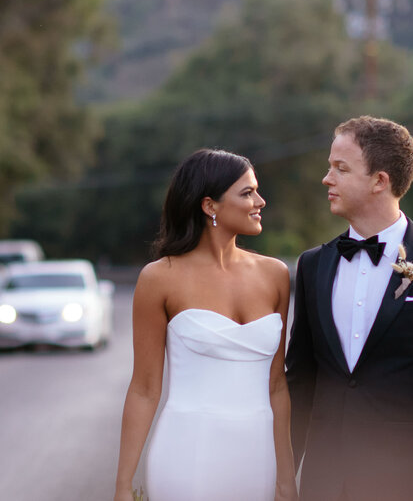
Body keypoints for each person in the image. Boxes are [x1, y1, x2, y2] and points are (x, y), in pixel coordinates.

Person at [285, 116, 413, 501]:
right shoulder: (312, 265)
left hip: (407, 482)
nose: (327, 179)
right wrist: (281, 471)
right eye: (330, 167)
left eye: (340, 169)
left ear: (380, 181)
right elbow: (301, 379)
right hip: (324, 483)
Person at [114, 149, 297, 501]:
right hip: (187, 450)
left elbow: (276, 385)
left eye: (256, 190)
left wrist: (286, 477)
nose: (260, 201)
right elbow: (144, 389)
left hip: (258, 456)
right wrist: (123, 484)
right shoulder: (159, 278)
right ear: (210, 205)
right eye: (247, 193)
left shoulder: (275, 275)